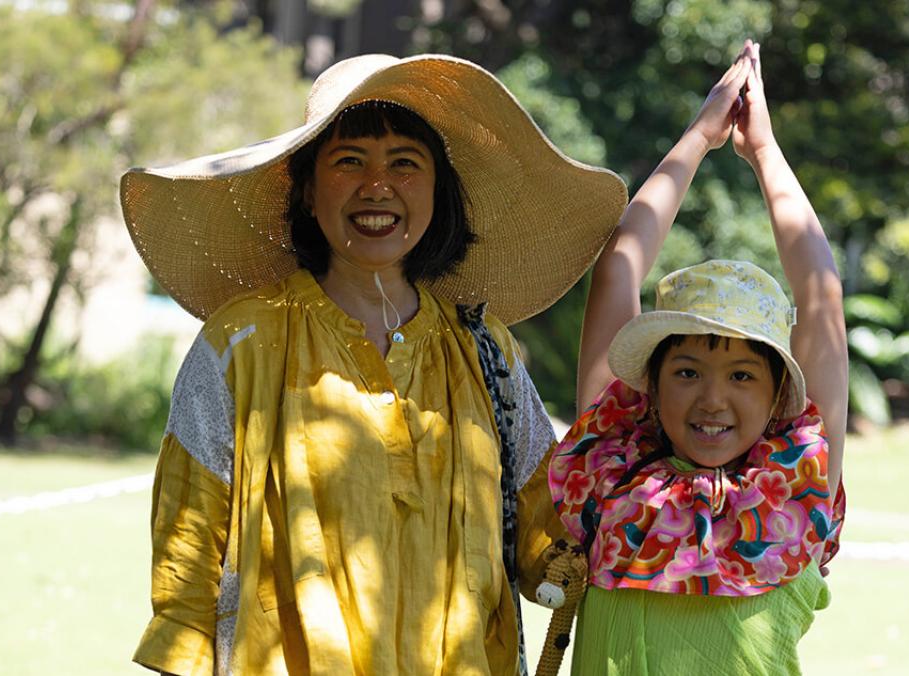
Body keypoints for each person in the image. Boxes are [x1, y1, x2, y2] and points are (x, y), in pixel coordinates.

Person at [121, 54, 627, 675]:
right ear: (307, 190)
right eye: (349, 160)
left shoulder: (483, 347)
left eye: (405, 164)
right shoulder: (241, 340)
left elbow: (542, 523)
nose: (377, 186)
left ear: (438, 193)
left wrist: (628, 525)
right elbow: (189, 546)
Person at [548, 41, 848, 674]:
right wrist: (697, 138)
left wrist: (765, 152)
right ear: (650, 389)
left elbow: (820, 293)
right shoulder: (610, 470)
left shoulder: (798, 485)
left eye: (743, 374)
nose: (713, 398)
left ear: (777, 400)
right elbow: (618, 270)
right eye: (687, 372)